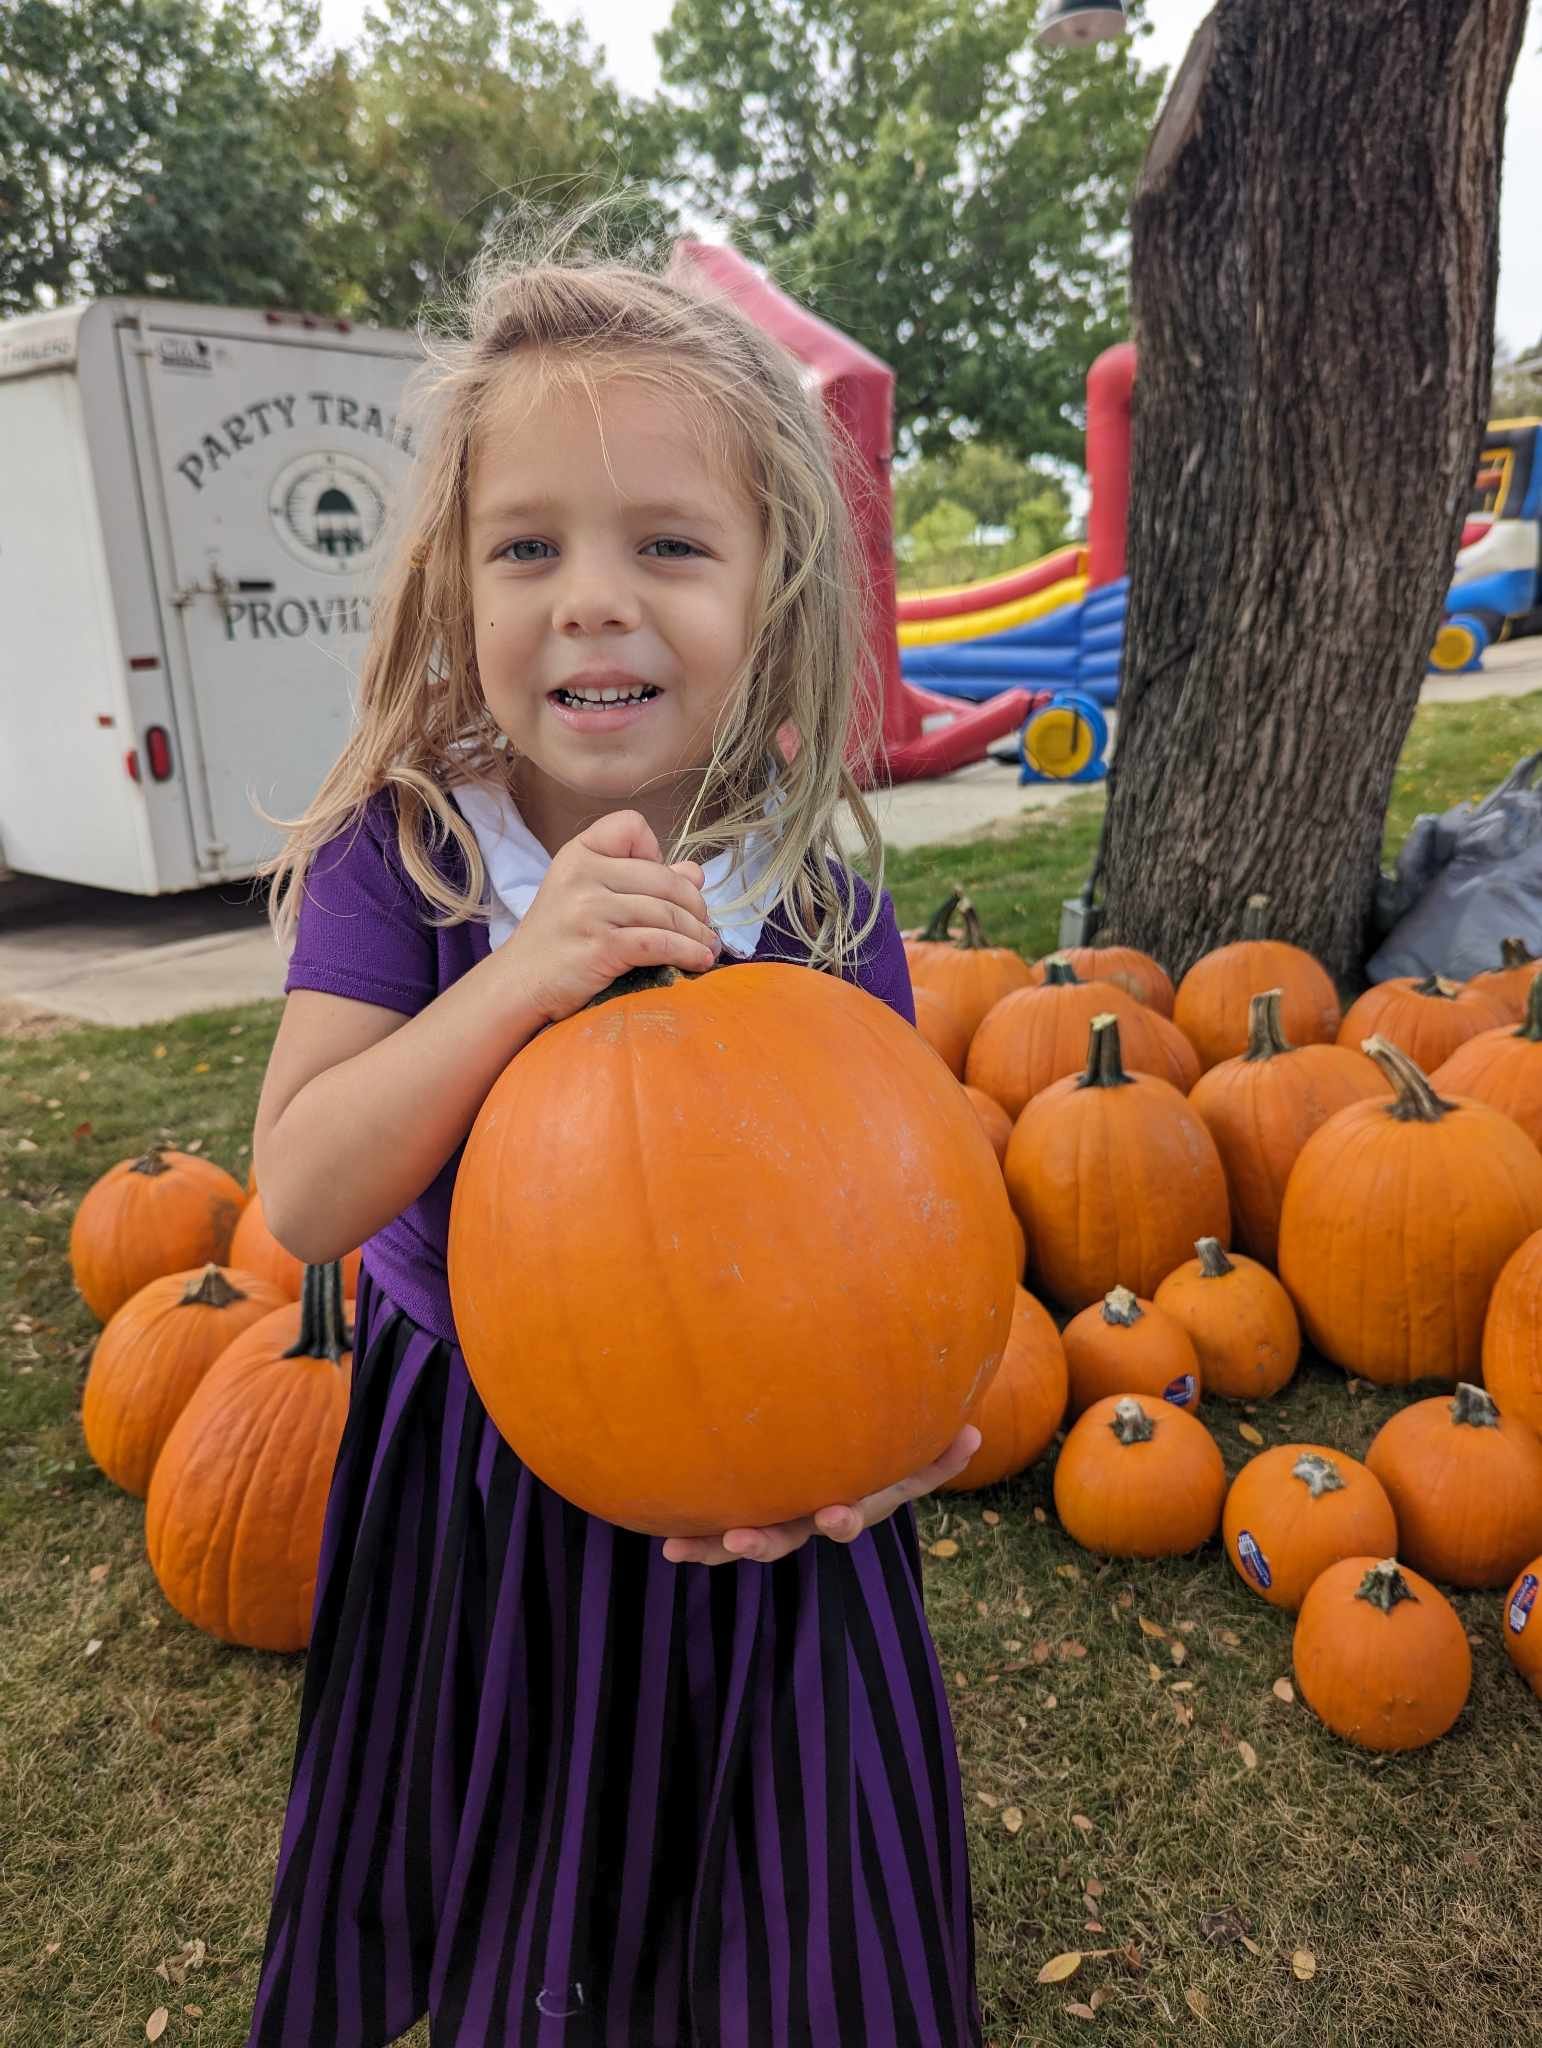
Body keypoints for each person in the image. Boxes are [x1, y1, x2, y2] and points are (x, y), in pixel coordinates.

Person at [245, 220, 985, 2048]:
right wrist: (514, 982)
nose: (593, 596)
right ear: (453, 592)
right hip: (489, 1484)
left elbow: (913, 1223)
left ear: (773, 589)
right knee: (535, 1880)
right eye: (531, 548)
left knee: (790, 1914)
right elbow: (306, 1186)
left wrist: (920, 1438)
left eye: (667, 544)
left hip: (786, 1501)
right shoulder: (410, 863)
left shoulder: (811, 905)